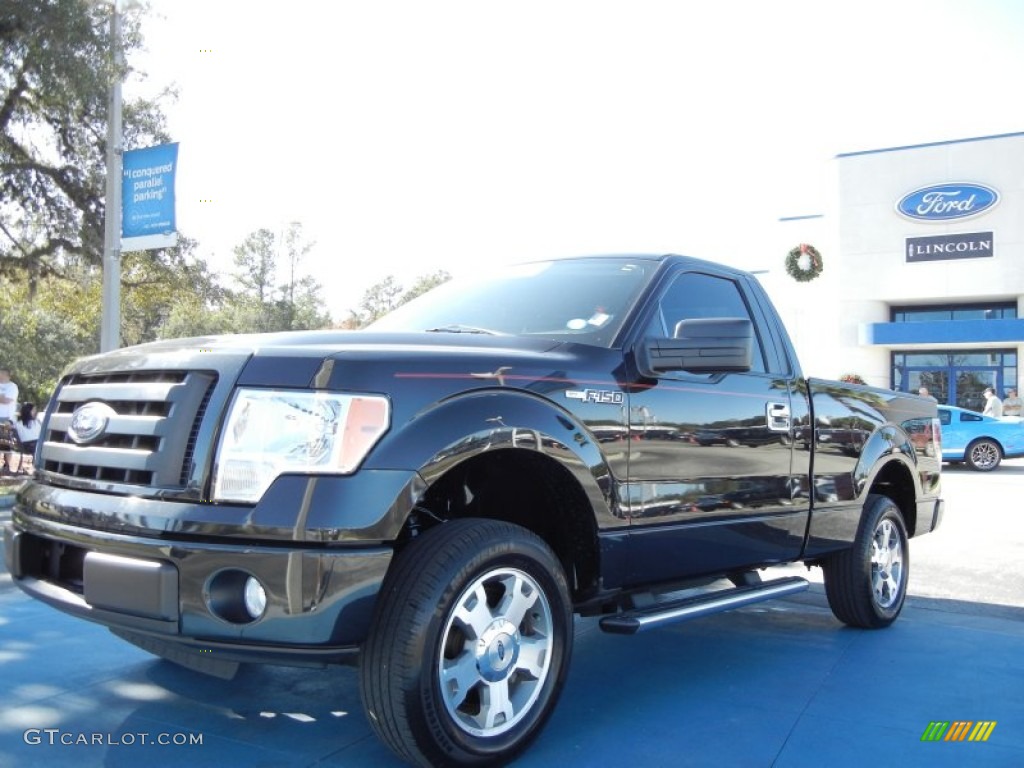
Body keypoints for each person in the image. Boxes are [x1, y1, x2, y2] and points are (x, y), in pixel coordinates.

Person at [0, 366, 19, 474]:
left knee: (6, 443)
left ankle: (7, 465)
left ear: (5, 374)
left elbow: (7, 400)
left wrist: (2, 398)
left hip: (7, 418)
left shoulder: (12, 387)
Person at [14, 402, 41, 474]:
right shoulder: (36, 422)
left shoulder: (17, 424)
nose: (35, 412)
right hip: (36, 446)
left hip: (24, 447)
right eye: (34, 410)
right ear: (29, 411)